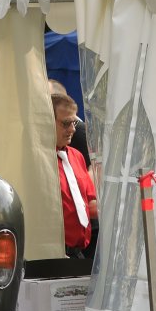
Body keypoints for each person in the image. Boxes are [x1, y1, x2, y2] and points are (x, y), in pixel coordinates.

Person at [53, 92, 97, 260]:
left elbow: (90, 204)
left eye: (74, 122)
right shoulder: (40, 159)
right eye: (66, 123)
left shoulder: (76, 156)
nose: (72, 129)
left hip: (78, 253)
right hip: (54, 253)